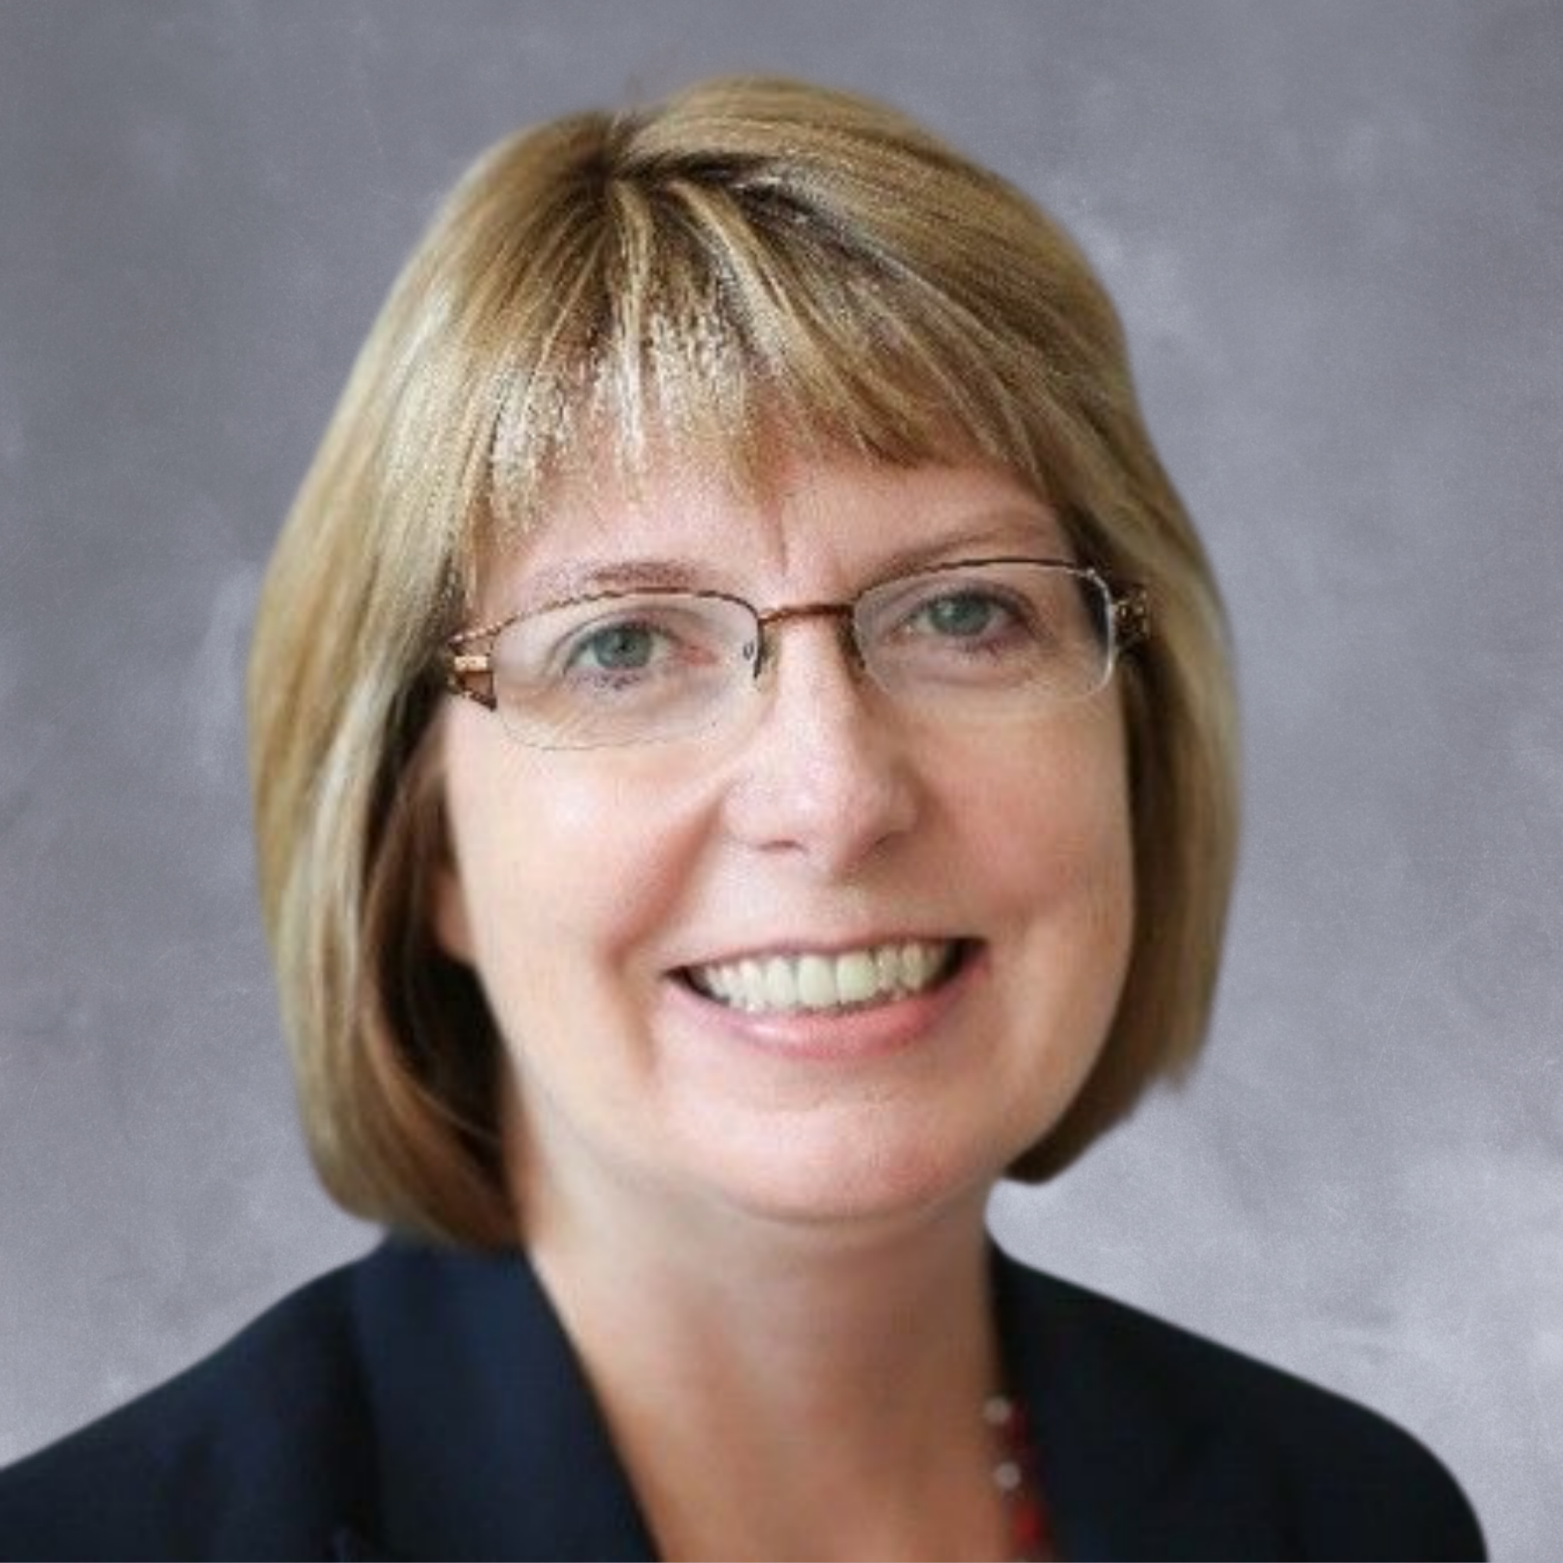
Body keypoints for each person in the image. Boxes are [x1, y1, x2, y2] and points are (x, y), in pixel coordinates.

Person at [0, 75, 1483, 1562]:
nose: (831, 796)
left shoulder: (1347, 1520)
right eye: (625, 645)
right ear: (424, 837)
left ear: (1134, 736)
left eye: (963, 612)